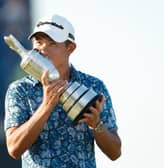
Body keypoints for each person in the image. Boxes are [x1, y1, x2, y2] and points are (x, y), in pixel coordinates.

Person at [4, 14, 121, 168]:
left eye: (52, 43)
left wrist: (96, 124)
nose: (42, 49)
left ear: (70, 48)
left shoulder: (94, 86)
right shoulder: (20, 90)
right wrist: (46, 105)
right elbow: (14, 148)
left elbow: (115, 153)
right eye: (38, 42)